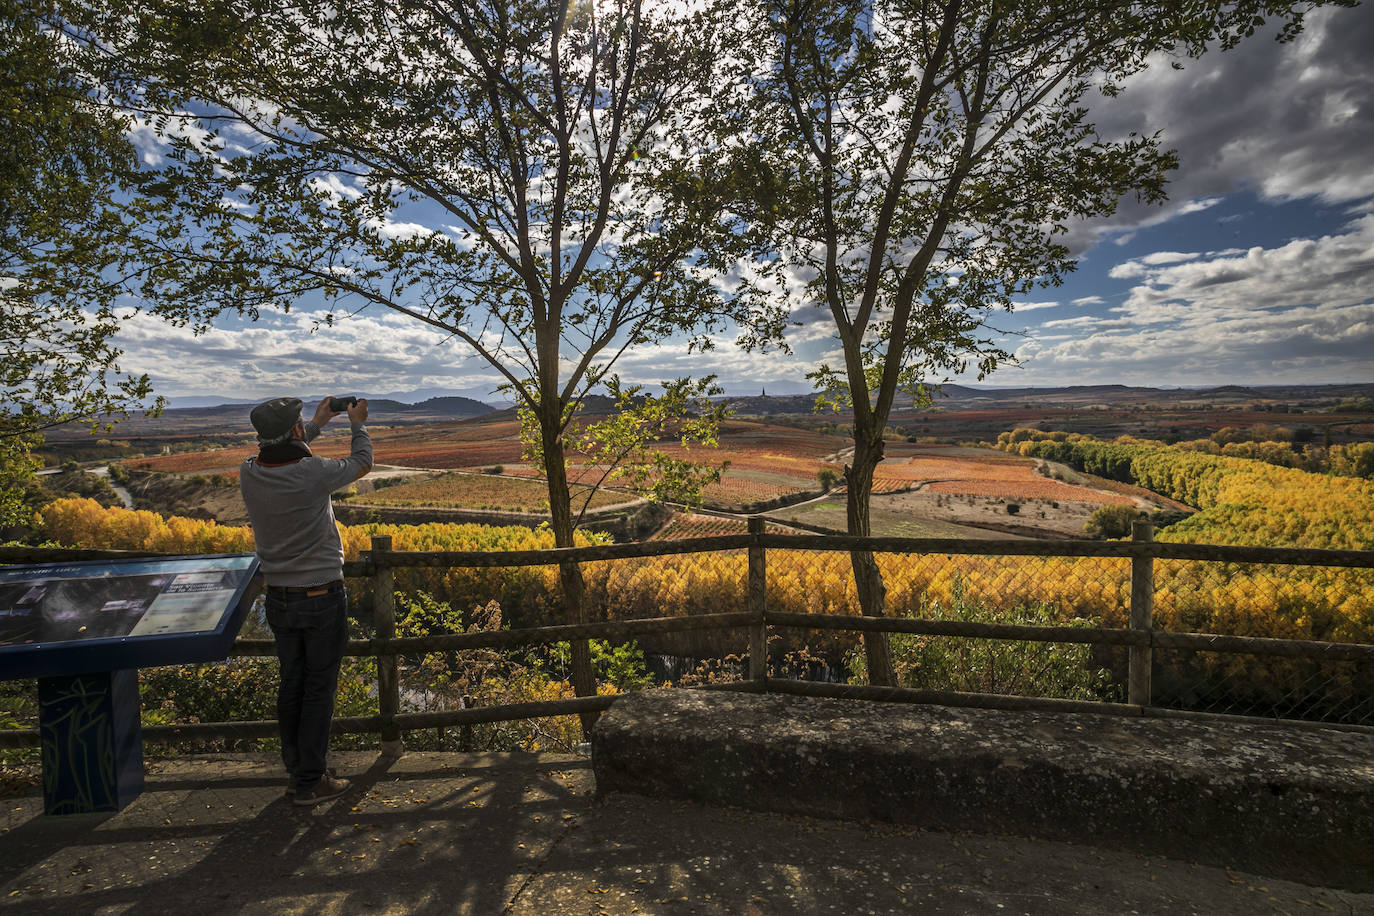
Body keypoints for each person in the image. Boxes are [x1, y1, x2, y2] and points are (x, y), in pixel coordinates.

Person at [240, 395, 372, 806]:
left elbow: (282, 447)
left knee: (292, 684)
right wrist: (356, 425)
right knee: (319, 689)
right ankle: (313, 781)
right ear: (295, 431)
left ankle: (299, 771)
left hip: (278, 599)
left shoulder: (249, 472)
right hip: (321, 596)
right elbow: (361, 463)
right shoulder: (312, 472)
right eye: (301, 425)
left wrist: (316, 422)